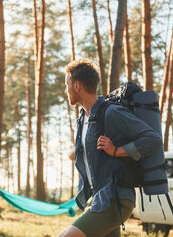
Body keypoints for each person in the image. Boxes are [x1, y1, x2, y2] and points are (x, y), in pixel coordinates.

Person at [59, 59, 162, 237]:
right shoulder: (83, 119)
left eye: (66, 85)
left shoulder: (111, 112)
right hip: (99, 199)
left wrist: (117, 150)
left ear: (76, 86)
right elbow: (86, 151)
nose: (65, 90)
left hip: (115, 199)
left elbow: (152, 138)